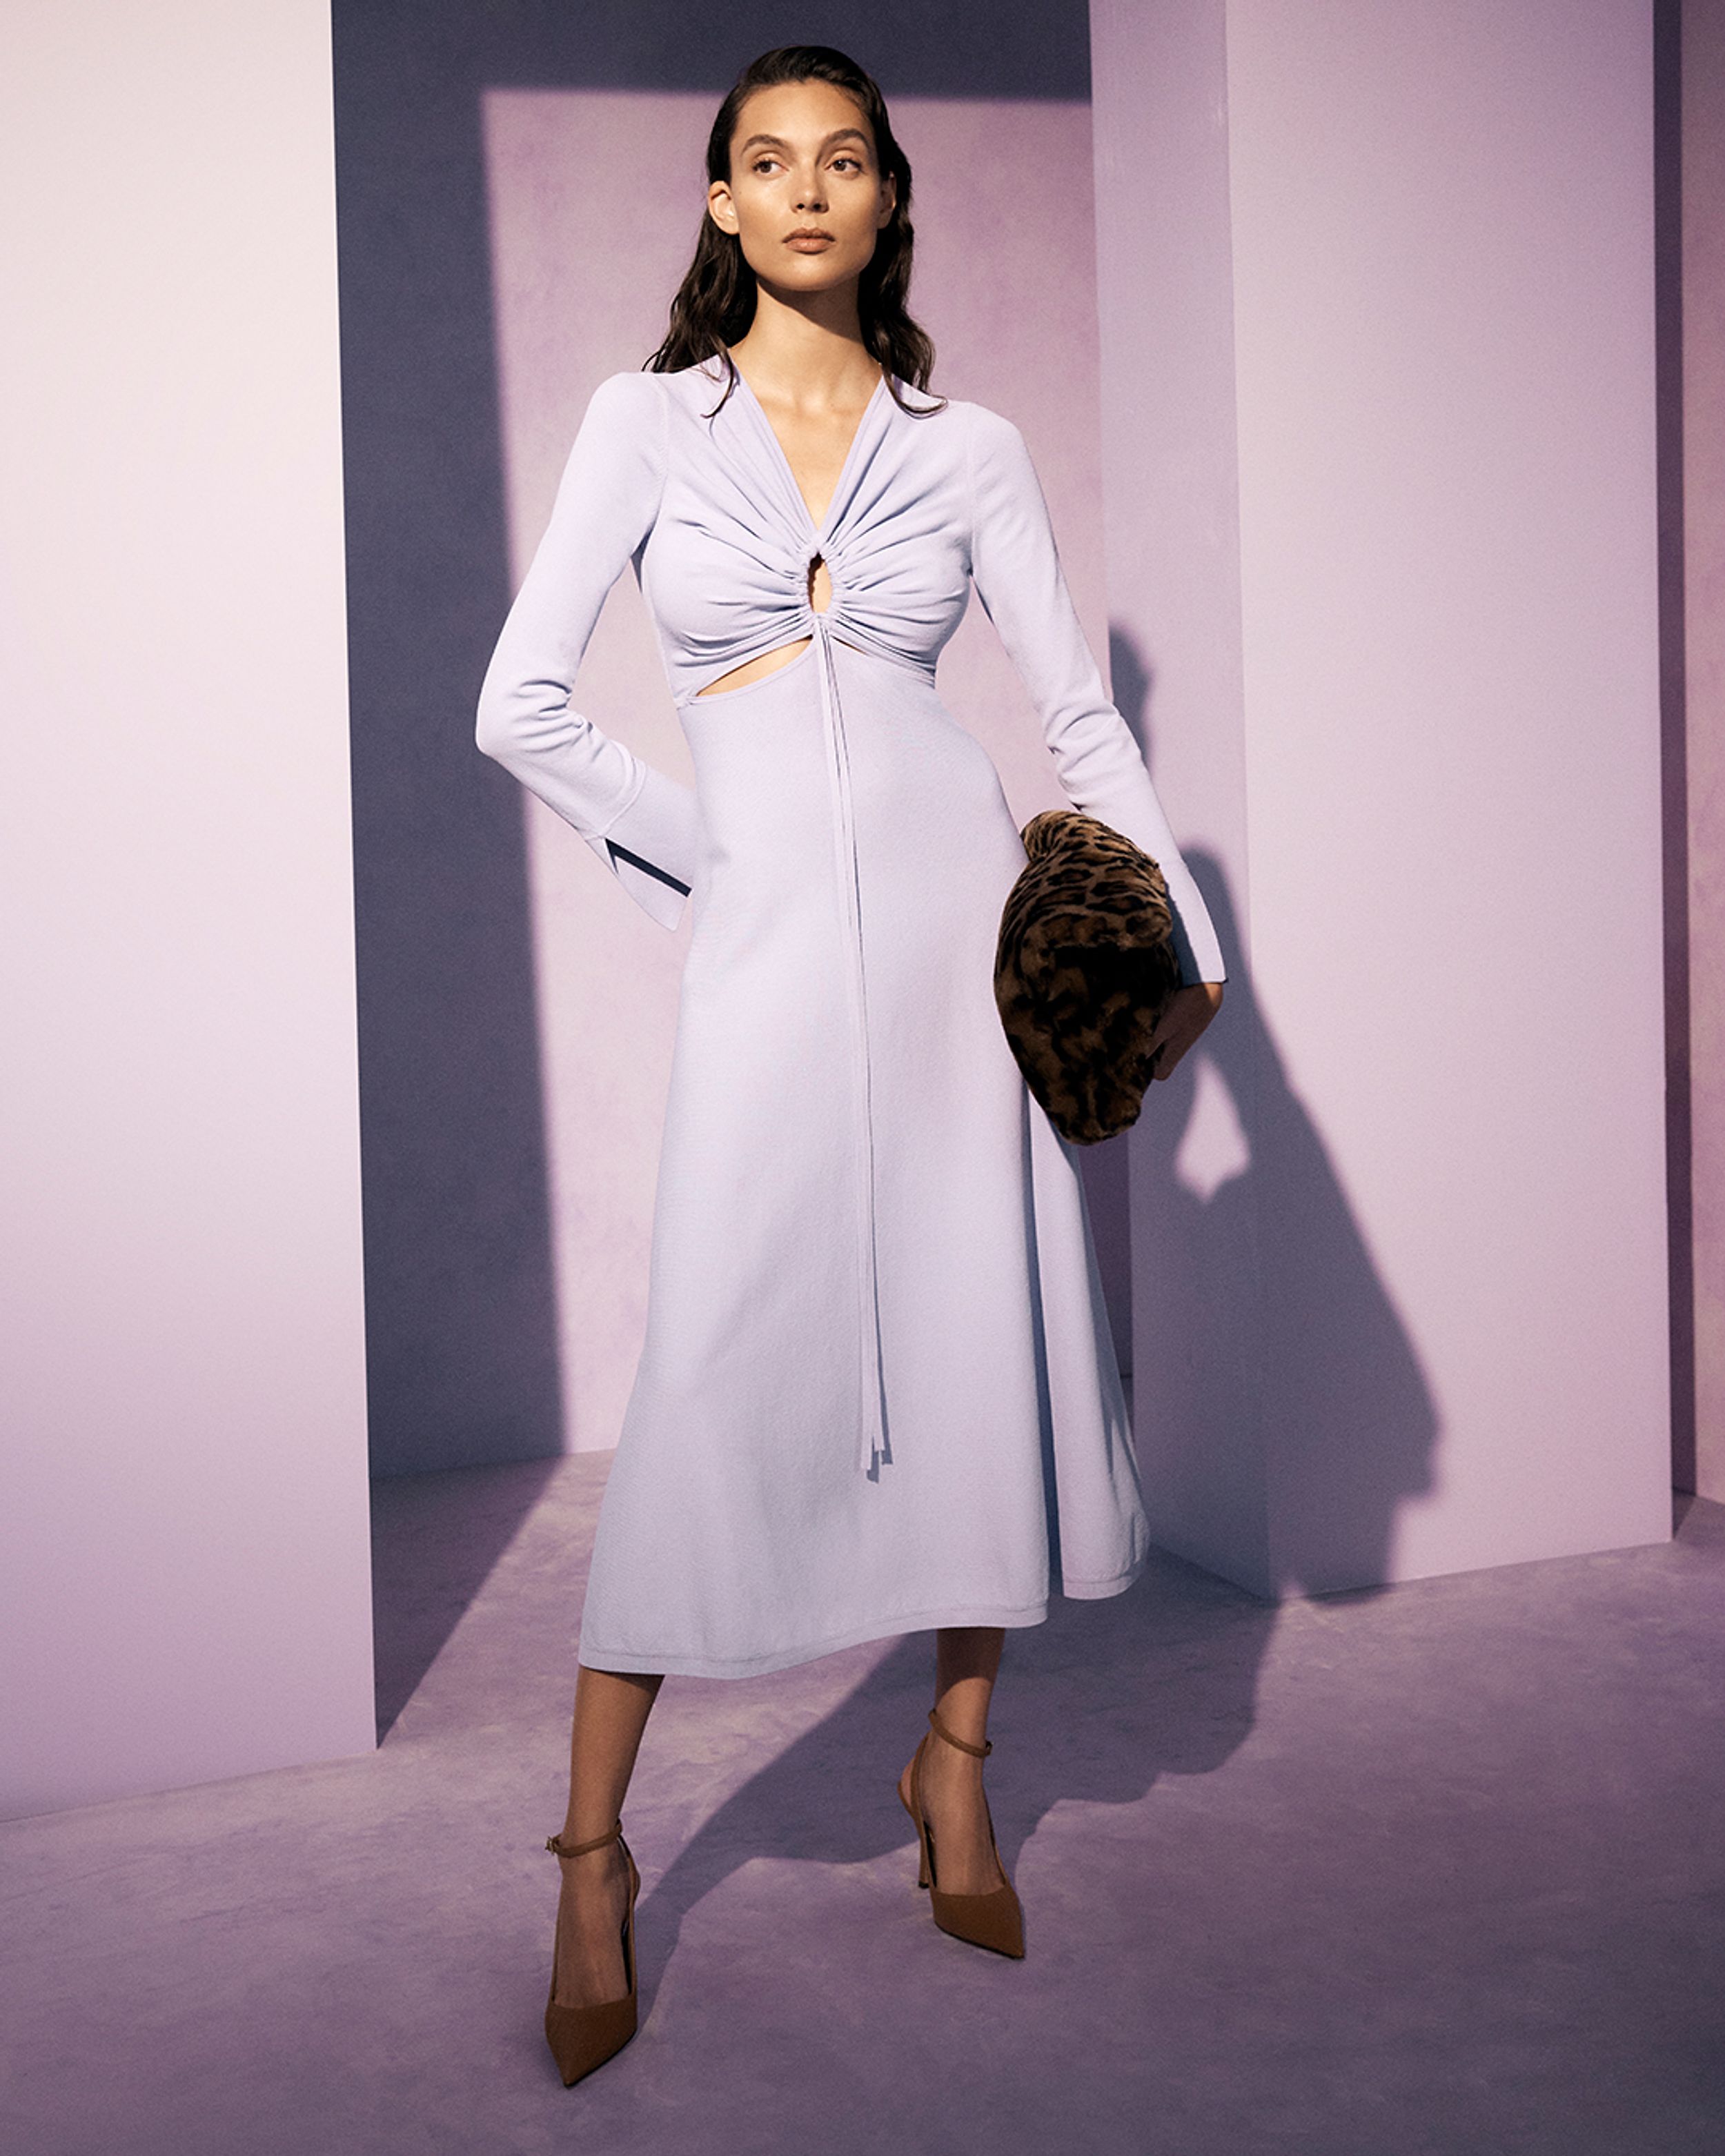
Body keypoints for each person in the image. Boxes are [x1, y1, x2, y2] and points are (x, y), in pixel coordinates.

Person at [475, 43, 1225, 2087]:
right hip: (773, 960)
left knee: (976, 1345)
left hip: (962, 957)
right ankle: (592, 1856)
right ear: (718, 204)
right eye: (763, 162)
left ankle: (953, 1765)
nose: (806, 189)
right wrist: (705, 874)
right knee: (711, 1363)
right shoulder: (644, 425)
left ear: (888, 195)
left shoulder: (965, 446)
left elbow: (1076, 722)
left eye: (843, 161)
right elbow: (518, 702)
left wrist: (1186, 951)